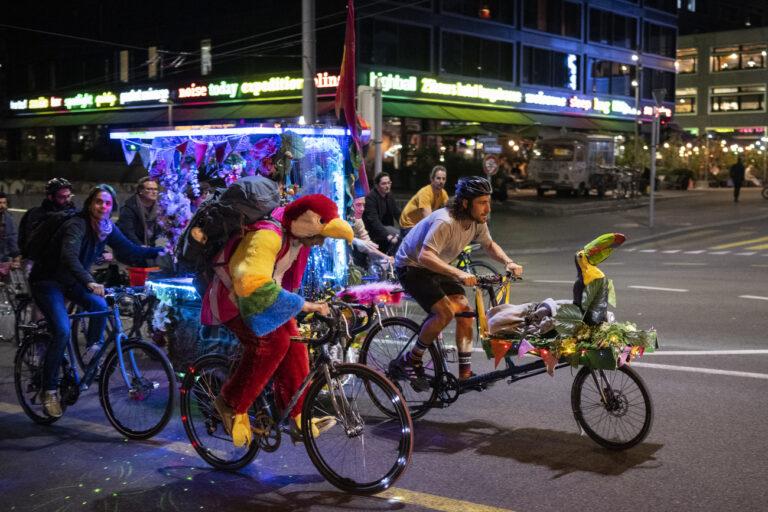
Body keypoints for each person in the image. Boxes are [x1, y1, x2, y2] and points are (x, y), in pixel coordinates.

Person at [202, 194, 354, 448]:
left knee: (295, 342)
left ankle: (297, 417)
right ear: (307, 226)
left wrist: (299, 306)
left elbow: (284, 280)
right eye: (320, 237)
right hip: (233, 297)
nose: (320, 243)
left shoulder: (296, 238)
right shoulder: (267, 236)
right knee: (271, 345)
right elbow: (251, 282)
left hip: (261, 298)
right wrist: (303, 305)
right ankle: (229, 403)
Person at [30, 185, 163, 418]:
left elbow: (129, 249)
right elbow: (68, 257)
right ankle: (48, 389)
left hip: (72, 281)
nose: (104, 207)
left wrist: (161, 252)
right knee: (61, 330)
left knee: (101, 306)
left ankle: (92, 349)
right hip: (48, 280)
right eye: (99, 202)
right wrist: (90, 282)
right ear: (90, 203)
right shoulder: (77, 225)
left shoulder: (106, 228)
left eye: (108, 203)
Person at [390, 176, 523, 390]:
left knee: (466, 312)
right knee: (445, 312)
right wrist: (459, 274)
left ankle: (465, 375)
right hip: (412, 266)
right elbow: (425, 256)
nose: (488, 208)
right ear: (465, 203)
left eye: (488, 201)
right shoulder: (446, 221)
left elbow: (489, 245)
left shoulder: (476, 222)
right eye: (482, 202)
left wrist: (508, 261)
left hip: (437, 266)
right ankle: (411, 361)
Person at [18, 178, 76, 251]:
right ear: (50, 197)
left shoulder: (74, 215)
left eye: (68, 196)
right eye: (62, 197)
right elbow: (27, 241)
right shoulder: (35, 214)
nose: (67, 200)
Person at [398, 165, 448, 239]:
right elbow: (429, 219)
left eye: (443, 179)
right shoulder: (425, 193)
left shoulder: (443, 193)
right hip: (409, 226)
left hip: (420, 226)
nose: (441, 181)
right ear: (432, 179)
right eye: (438, 178)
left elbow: (450, 211)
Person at [350, 196, 394, 267]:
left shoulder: (358, 220)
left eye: (364, 205)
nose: (362, 209)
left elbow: (367, 246)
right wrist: (356, 241)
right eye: (358, 205)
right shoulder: (340, 215)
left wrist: (387, 257)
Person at [363, 172, 401, 255]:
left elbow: (396, 212)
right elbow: (373, 220)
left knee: (403, 234)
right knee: (396, 234)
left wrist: (407, 225)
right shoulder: (371, 198)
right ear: (376, 186)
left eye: (389, 183)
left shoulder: (389, 195)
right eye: (384, 184)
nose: (387, 186)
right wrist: (387, 235)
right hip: (373, 230)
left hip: (385, 227)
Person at [117, 177, 162, 247]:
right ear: (141, 191)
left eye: (155, 189)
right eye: (149, 189)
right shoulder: (129, 208)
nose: (154, 192)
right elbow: (127, 231)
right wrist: (140, 245)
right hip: (130, 248)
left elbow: (158, 232)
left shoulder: (159, 208)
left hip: (149, 246)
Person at [0, 193, 21, 269]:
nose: (2, 206)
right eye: (0, 203)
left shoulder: (8, 218)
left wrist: (16, 257)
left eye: (4, 203)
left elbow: (12, 237)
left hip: (3, 260)